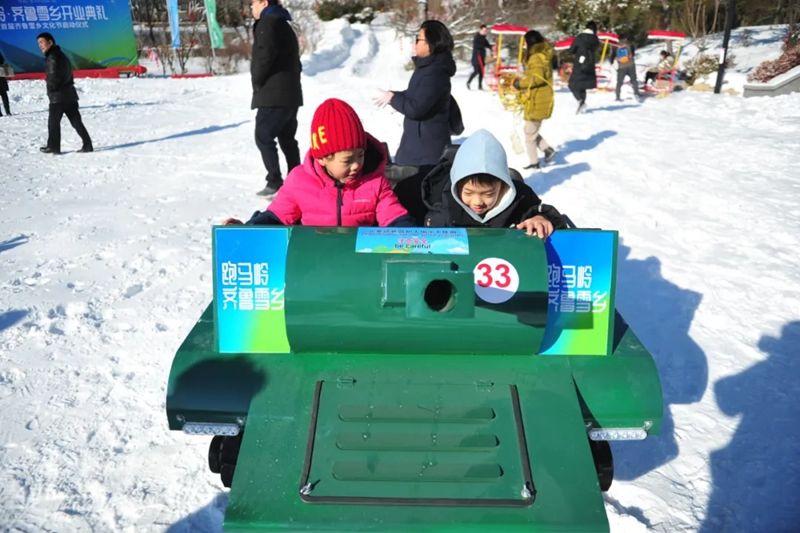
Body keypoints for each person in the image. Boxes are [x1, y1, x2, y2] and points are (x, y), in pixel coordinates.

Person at [225, 98, 414, 228]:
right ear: (323, 158)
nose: (357, 165)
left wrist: (415, 240)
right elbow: (276, 217)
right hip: (314, 268)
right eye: (347, 160)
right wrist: (246, 231)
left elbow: (395, 219)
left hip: (360, 269)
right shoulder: (299, 181)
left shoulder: (374, 183)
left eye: (360, 155)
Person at [422, 129, 566, 239]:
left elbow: (551, 219)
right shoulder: (445, 212)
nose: (477, 202)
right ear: (457, 186)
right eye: (468, 193)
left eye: (488, 194)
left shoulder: (520, 203)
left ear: (503, 186)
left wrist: (542, 219)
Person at [375, 20, 456, 170]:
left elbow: (416, 108)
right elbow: (416, 93)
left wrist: (394, 98)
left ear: (432, 43)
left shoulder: (435, 72)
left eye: (419, 39)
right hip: (419, 145)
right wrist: (394, 95)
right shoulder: (428, 67)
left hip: (425, 152)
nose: (415, 43)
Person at [250, 0, 303, 197]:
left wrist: (257, 80)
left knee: (263, 135)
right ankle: (297, 179)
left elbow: (264, 56)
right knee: (287, 138)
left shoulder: (268, 22)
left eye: (253, 3)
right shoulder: (283, 22)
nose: (251, 7)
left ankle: (274, 181)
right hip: (290, 92)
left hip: (274, 93)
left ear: (264, 2)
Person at [36, 33, 93, 154]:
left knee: (53, 123)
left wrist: (51, 88)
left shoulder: (52, 57)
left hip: (58, 97)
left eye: (42, 42)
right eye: (38, 43)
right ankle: (88, 145)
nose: (40, 45)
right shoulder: (61, 55)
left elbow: (53, 77)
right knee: (76, 121)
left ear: (50, 42)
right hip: (70, 95)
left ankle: (53, 147)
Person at [515, 30, 557, 170]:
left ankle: (534, 163)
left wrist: (520, 84)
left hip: (538, 100)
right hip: (539, 98)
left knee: (529, 135)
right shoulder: (542, 55)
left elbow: (537, 78)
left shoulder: (536, 57)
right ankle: (547, 149)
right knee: (530, 131)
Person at [567, 20, 600, 114]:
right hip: (590, 64)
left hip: (580, 64)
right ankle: (582, 103)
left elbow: (571, 50)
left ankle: (580, 100)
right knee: (583, 85)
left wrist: (577, 52)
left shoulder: (580, 37)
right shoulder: (595, 39)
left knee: (572, 84)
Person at [466, 24, 492, 91]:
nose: (485, 32)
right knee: (476, 71)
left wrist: (492, 47)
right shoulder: (477, 37)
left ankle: (480, 86)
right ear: (480, 30)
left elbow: (487, 45)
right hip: (476, 58)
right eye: (483, 30)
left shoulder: (483, 38)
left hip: (482, 57)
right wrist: (484, 47)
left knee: (481, 72)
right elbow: (478, 45)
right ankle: (468, 82)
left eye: (485, 30)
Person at [0, 52, 12, 117]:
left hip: (1, 74)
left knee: (4, 95)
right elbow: (2, 60)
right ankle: (8, 112)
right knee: (4, 95)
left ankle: (1, 113)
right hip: (1, 75)